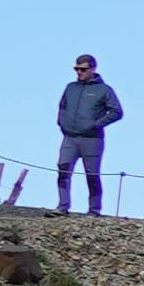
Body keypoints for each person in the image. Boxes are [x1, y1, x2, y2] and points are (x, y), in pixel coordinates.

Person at [50, 57, 120, 214]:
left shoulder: (104, 90)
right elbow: (62, 106)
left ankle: (94, 210)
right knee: (63, 169)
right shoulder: (70, 88)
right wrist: (62, 123)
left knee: (92, 174)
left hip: (92, 140)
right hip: (69, 138)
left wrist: (95, 124)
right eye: (76, 69)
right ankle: (62, 207)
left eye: (83, 69)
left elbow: (117, 112)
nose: (79, 72)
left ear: (93, 69)